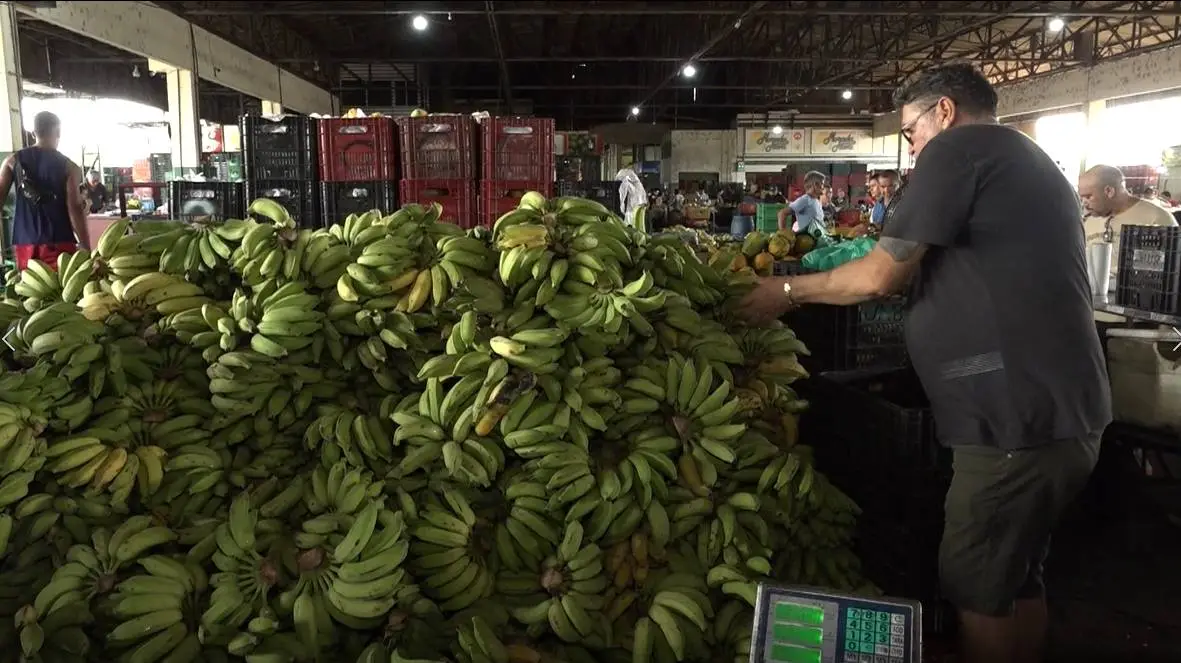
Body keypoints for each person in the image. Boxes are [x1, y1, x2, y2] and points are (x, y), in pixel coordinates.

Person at [739, 63, 1110, 663]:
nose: (911, 149)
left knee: (974, 581)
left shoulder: (961, 151)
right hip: (1060, 409)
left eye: (909, 132)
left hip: (1012, 419)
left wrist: (783, 293)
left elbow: (881, 273)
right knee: (1017, 578)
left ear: (943, 111)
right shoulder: (1024, 159)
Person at [0, 111, 90, 268]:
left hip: (24, 243)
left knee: (30, 290)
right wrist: (85, 245)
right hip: (59, 242)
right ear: (58, 132)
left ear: (34, 133)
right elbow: (74, 208)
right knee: (62, 290)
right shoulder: (69, 167)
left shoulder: (11, 161)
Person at [1078, 164, 1176, 287]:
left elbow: (1168, 272)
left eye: (1088, 196)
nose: (1084, 204)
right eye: (1081, 198)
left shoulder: (1157, 219)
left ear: (1109, 191)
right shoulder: (1088, 221)